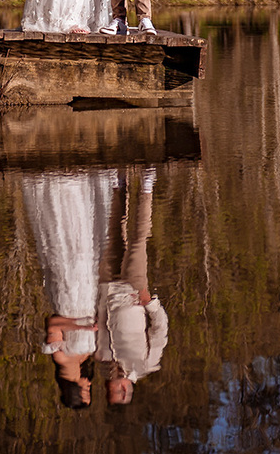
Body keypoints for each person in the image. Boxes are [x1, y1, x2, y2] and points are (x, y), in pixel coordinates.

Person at [23, 167, 115, 410]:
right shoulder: (84, 360)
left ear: (74, 390)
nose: (89, 385)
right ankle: (82, 185)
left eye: (86, 391)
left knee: (68, 249)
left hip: (69, 297)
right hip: (87, 295)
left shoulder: (60, 356)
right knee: (87, 246)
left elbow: (53, 323)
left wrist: (81, 326)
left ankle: (63, 189)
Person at [97, 166, 168, 406]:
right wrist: (150, 303)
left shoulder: (104, 358)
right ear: (125, 389)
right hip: (134, 293)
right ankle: (147, 185)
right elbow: (159, 330)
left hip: (107, 287)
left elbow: (101, 323)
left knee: (113, 234)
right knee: (138, 240)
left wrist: (98, 296)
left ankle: (119, 184)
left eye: (108, 387)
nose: (110, 381)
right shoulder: (147, 364)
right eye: (113, 388)